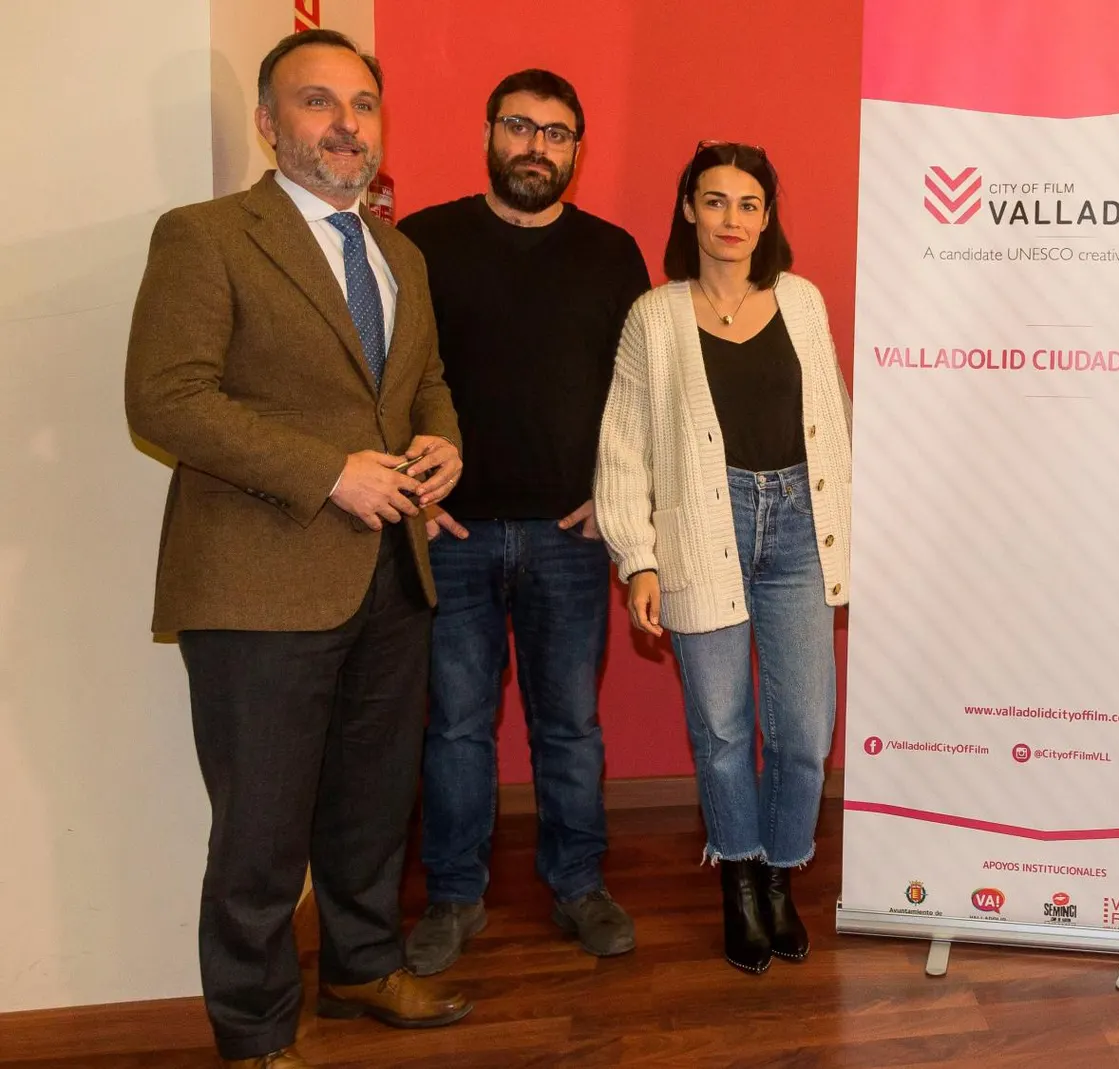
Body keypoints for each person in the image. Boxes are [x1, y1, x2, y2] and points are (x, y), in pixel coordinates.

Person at [124, 29, 473, 1068]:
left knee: (373, 807)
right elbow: (166, 398)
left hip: (389, 578)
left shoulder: (400, 252)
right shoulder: (207, 235)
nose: (346, 125)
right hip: (256, 584)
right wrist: (330, 471)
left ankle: (363, 964)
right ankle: (253, 1027)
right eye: (318, 104)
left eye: (363, 105)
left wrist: (444, 440)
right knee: (260, 833)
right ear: (272, 126)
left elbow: (426, 381)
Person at [396, 68, 651, 976]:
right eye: (520, 126)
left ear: (576, 150)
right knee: (457, 727)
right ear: (489, 133)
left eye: (556, 133)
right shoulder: (422, 242)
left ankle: (578, 883)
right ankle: (454, 897)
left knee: (569, 726)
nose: (536, 147)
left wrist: (616, 493)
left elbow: (641, 392)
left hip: (569, 538)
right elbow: (384, 378)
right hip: (452, 536)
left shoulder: (613, 253)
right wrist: (410, 492)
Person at [594, 142, 852, 974]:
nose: (731, 219)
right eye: (715, 201)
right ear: (688, 209)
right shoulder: (652, 316)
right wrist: (639, 557)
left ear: (767, 216)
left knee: (805, 730)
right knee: (723, 727)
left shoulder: (803, 302)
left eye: (748, 203)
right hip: (703, 528)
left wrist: (847, 525)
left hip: (798, 528)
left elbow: (833, 423)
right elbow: (625, 444)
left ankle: (781, 873)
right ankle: (738, 878)